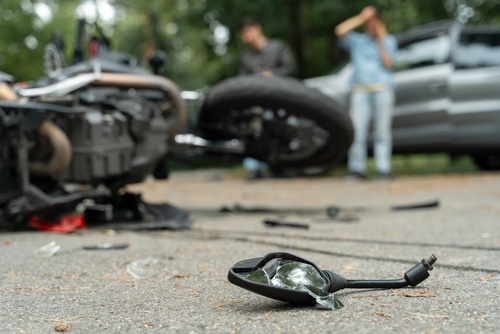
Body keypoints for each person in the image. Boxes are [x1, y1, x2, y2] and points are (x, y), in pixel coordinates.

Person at [335, 6, 398, 179]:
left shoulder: (389, 41)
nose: (370, 25)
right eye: (367, 22)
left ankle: (383, 169)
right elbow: (339, 30)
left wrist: (380, 41)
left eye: (373, 21)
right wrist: (361, 17)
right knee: (357, 131)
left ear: (380, 22)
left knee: (382, 132)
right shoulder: (357, 41)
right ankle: (356, 169)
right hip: (360, 90)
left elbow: (389, 64)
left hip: (382, 90)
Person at [238, 17, 296, 179]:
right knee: (253, 130)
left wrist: (272, 75)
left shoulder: (278, 47)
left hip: (281, 99)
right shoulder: (246, 58)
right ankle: (254, 167)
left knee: (283, 130)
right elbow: (242, 80)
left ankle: (284, 163)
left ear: (257, 28)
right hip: (258, 103)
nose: (245, 36)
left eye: (247, 31)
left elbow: (290, 68)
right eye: (243, 33)